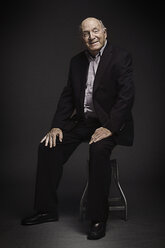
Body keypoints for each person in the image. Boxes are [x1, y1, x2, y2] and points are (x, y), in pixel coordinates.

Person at [22, 17, 134, 240]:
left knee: (98, 151)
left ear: (104, 32)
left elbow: (126, 97)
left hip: (109, 124)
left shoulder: (120, 58)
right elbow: (67, 98)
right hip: (83, 122)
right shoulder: (76, 62)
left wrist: (110, 128)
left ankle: (97, 219)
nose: (91, 36)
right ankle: (45, 210)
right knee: (48, 146)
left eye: (95, 31)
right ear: (81, 37)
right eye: (86, 33)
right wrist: (56, 126)